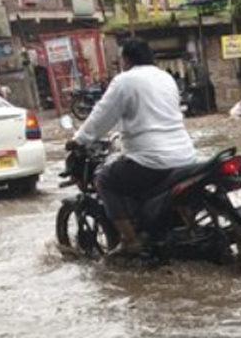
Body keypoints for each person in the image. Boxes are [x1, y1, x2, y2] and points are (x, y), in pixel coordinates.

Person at [69, 38, 197, 256]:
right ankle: (181, 226)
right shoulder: (166, 78)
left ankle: (130, 240)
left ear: (126, 59)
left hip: (150, 159)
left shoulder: (125, 81)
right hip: (185, 155)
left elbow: (102, 116)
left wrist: (79, 139)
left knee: (104, 179)